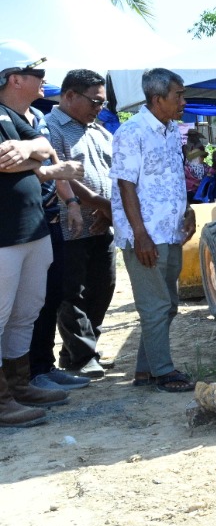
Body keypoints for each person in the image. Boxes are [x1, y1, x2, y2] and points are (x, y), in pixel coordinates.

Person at [0, 42, 84, 423]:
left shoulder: (15, 116)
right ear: (14, 79)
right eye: (36, 73)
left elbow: (46, 147)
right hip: (5, 235)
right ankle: (3, 399)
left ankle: (17, 386)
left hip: (32, 230)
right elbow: (8, 162)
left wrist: (27, 149)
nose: (43, 79)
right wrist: (35, 158)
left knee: (26, 311)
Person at [111, 69, 197, 393]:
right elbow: (125, 185)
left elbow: (173, 177)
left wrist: (187, 211)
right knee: (156, 306)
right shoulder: (131, 131)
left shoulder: (172, 130)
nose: (184, 101)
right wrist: (140, 234)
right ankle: (163, 372)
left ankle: (146, 370)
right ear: (158, 98)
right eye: (179, 95)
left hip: (170, 231)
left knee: (167, 304)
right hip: (146, 236)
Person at [45, 69, 117, 379]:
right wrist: (102, 205)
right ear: (70, 95)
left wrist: (107, 211)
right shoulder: (49, 128)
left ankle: (75, 353)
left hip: (102, 224)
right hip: (68, 226)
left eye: (103, 103)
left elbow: (114, 173)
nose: (99, 108)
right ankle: (83, 355)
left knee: (103, 289)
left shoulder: (99, 131)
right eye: (95, 101)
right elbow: (62, 176)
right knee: (71, 294)